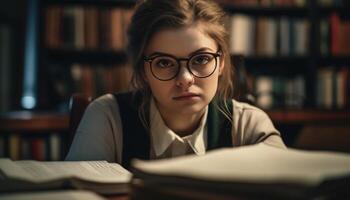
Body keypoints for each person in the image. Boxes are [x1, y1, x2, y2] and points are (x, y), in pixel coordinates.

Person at [65, 0, 286, 168]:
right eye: (164, 62)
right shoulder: (109, 117)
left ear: (221, 63)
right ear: (143, 71)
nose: (185, 79)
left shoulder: (247, 124)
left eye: (200, 59)